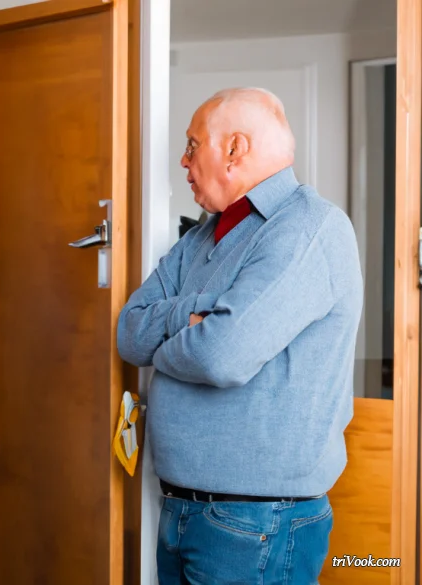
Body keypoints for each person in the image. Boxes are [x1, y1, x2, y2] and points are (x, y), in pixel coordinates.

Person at [118, 87, 363, 584]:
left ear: (234, 149)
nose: (183, 162)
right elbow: (128, 333)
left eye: (192, 145)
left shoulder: (310, 230)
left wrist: (201, 329)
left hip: (258, 524)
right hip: (183, 510)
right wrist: (197, 313)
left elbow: (220, 354)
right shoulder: (201, 237)